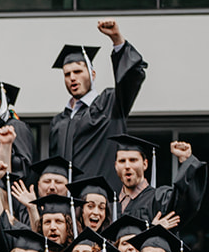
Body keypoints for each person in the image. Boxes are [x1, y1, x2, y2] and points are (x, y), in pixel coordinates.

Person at [48, 20, 147, 189]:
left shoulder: (110, 104)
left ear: (92, 74)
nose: (72, 78)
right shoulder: (59, 121)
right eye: (67, 74)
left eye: (78, 71)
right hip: (68, 201)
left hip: (103, 199)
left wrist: (117, 40)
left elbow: (131, 78)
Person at [114, 133, 204, 222]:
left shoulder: (160, 199)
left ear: (145, 164)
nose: (127, 166)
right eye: (122, 161)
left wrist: (187, 162)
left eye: (133, 160)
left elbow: (185, 202)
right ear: (116, 166)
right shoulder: (110, 205)